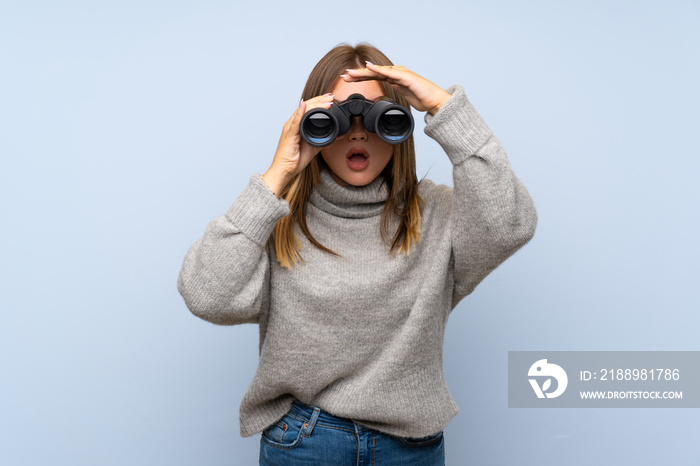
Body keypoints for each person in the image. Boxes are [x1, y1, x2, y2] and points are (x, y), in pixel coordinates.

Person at [177, 42, 537, 465]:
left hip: (410, 446)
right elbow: (206, 295)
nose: (358, 130)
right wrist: (278, 174)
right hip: (305, 442)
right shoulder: (277, 219)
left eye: (378, 115)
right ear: (311, 123)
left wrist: (444, 108)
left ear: (398, 125)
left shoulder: (436, 215)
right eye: (338, 117)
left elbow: (509, 224)